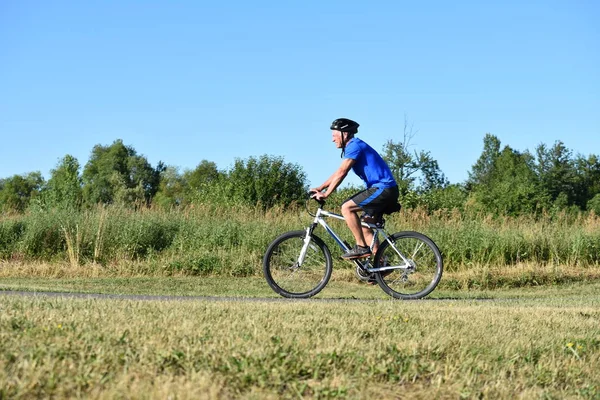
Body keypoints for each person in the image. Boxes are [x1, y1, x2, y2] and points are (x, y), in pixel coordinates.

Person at [311, 118, 400, 259]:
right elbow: (338, 171)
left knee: (346, 208)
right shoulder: (353, 147)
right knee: (365, 226)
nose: (332, 140)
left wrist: (326, 194)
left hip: (383, 189)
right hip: (385, 189)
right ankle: (382, 265)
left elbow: (342, 173)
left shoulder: (354, 146)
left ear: (344, 134)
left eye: (334, 135)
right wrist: (321, 187)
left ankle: (361, 247)